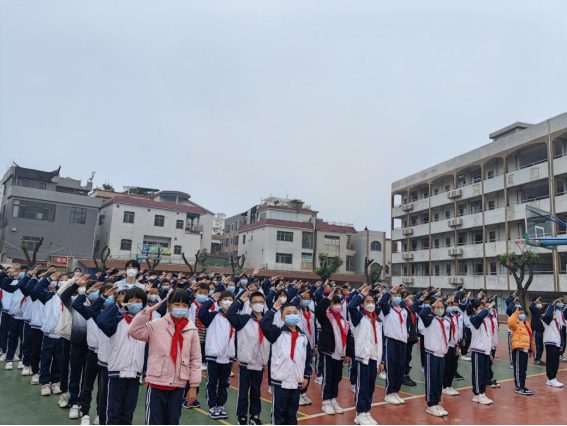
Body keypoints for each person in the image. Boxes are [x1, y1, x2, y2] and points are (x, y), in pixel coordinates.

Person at [128, 289, 202, 426]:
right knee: (154, 421)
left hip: (178, 384)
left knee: (173, 421)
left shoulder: (191, 330)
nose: (181, 308)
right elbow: (134, 331)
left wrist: (193, 386)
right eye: (177, 304)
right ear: (169, 306)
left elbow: (196, 359)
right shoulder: (156, 324)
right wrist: (146, 313)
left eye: (184, 305)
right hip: (157, 382)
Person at [96, 287, 148, 425]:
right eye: (131, 300)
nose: (135, 303)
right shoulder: (117, 320)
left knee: (127, 414)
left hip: (135, 374)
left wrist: (145, 372)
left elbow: (147, 351)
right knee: (112, 413)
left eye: (138, 301)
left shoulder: (146, 324)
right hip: (116, 373)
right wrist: (117, 306)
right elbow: (101, 321)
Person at [260, 299, 312, 426]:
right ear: (282, 318)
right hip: (280, 382)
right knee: (278, 414)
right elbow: (264, 324)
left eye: (295, 312)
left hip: (296, 382)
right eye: (288, 313)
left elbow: (307, 358)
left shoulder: (303, 337)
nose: (292, 315)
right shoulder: (277, 333)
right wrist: (273, 310)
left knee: (291, 414)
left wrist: (306, 376)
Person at [226, 291, 271, 426]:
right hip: (246, 361)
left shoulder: (267, 321)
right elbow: (230, 314)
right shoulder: (244, 319)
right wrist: (239, 301)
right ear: (250, 305)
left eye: (261, 302)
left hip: (260, 362)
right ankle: (242, 417)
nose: (258, 304)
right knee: (243, 391)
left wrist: (267, 360)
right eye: (255, 302)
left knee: (256, 391)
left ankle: (254, 416)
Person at [198, 291, 237, 420]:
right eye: (225, 299)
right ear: (219, 302)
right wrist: (210, 301)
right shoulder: (213, 316)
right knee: (212, 382)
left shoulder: (235, 318)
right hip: (213, 355)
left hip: (228, 356)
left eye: (230, 300)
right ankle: (212, 406)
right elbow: (201, 314)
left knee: (224, 383)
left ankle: (221, 405)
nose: (228, 302)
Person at [348, 285, 383, 426]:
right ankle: (359, 413)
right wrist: (360, 294)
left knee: (370, 387)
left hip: (374, 357)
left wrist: (381, 360)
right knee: (362, 386)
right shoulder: (359, 318)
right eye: (367, 302)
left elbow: (381, 341)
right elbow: (351, 307)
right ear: (362, 305)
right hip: (363, 357)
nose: (370, 304)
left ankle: (366, 410)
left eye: (373, 302)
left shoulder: (378, 321)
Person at [316, 288, 353, 416]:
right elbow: (319, 310)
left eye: (338, 303)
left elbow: (348, 337)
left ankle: (333, 399)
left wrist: (349, 353)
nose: (337, 306)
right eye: (334, 303)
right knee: (328, 377)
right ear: (330, 305)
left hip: (340, 353)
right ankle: (326, 401)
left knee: (337, 378)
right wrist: (327, 299)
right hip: (329, 352)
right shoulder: (326, 318)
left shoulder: (344, 321)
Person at [415, 295, 450, 417]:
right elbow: (422, 314)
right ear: (433, 309)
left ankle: (436, 402)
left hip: (442, 354)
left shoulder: (446, 321)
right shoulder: (429, 320)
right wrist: (431, 305)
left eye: (441, 307)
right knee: (431, 379)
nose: (440, 309)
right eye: (437, 307)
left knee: (439, 380)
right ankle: (430, 405)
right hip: (431, 354)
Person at [379, 285, 409, 405]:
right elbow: (382, 302)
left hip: (402, 341)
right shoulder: (388, 310)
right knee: (391, 367)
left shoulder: (404, 311)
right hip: (391, 340)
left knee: (400, 367)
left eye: (399, 295)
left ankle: (396, 391)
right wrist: (390, 292)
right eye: (394, 295)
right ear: (391, 298)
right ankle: (389, 392)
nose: (397, 297)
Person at [468, 298, 494, 405]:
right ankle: (477, 393)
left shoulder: (485, 321)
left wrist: (490, 352)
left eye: (483, 308)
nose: (482, 310)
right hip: (478, 350)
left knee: (485, 374)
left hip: (485, 350)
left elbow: (487, 337)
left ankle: (482, 393)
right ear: (474, 309)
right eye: (480, 308)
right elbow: (479, 317)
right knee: (478, 374)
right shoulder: (473, 318)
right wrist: (487, 309)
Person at [508, 304, 535, 396]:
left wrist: (531, 349)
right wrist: (516, 313)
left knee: (523, 369)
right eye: (520, 313)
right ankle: (519, 387)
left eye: (523, 312)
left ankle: (522, 385)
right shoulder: (515, 323)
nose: (522, 314)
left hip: (525, 349)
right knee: (518, 369)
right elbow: (511, 322)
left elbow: (529, 337)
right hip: (518, 348)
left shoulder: (526, 324)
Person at [542, 298, 565, 388]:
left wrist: (562, 344)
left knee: (555, 361)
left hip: (556, 343)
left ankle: (552, 379)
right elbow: (548, 314)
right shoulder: (545, 319)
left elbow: (560, 333)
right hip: (550, 342)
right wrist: (552, 304)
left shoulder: (557, 320)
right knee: (551, 361)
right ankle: (551, 378)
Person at [529, 297, 546, 366]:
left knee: (541, 346)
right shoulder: (534, 310)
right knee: (536, 345)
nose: (540, 303)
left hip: (541, 330)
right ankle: (536, 360)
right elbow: (531, 307)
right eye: (538, 302)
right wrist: (535, 301)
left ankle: (539, 359)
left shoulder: (540, 311)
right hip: (536, 330)